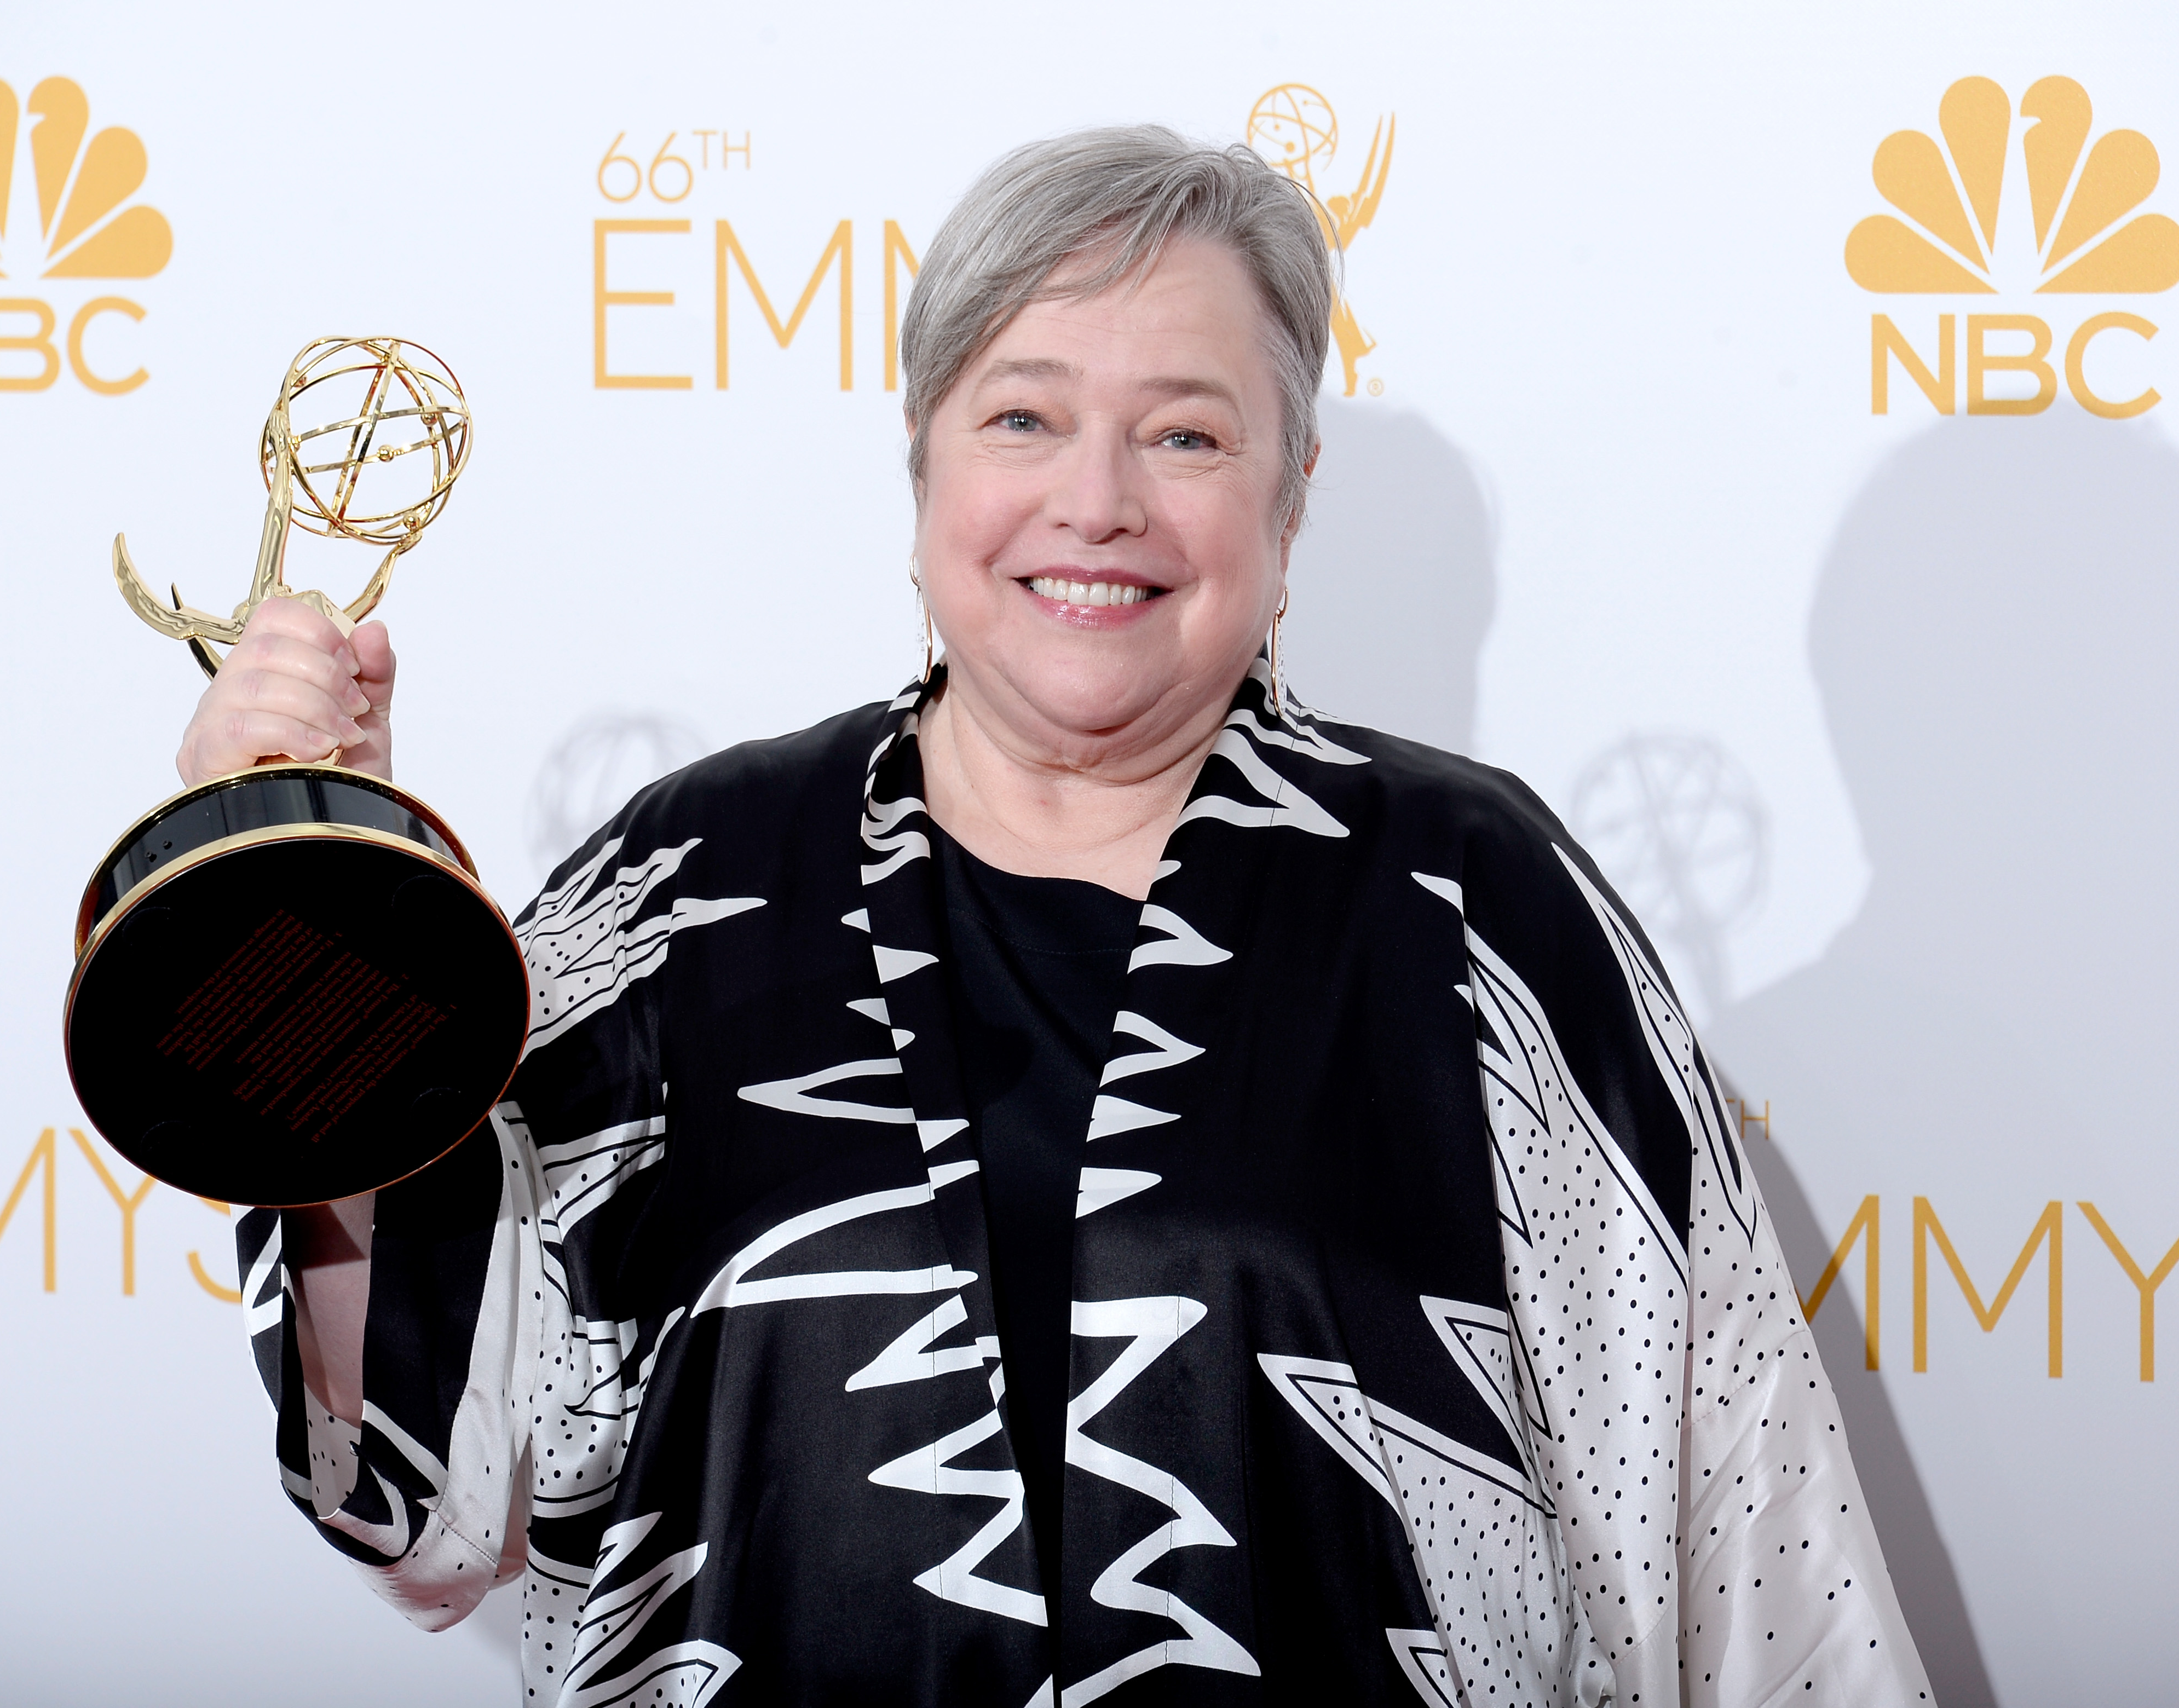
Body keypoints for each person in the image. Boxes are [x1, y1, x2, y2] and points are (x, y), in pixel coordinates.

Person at [186, 129, 1931, 1706]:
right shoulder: (677, 889)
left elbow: (1744, 1533)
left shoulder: (1479, 910)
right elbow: (413, 1497)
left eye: (1186, 432)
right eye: (1023, 416)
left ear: (1290, 498)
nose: (1097, 502)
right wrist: (318, 919)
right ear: (927, 465)